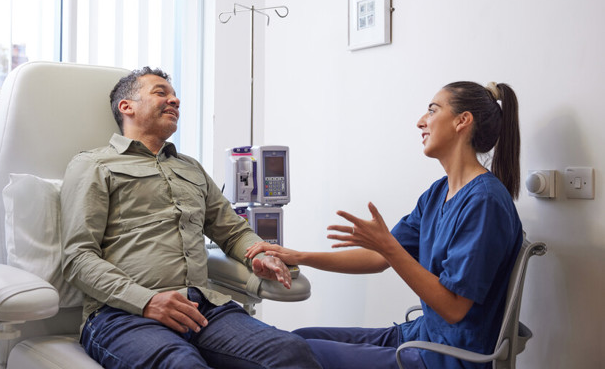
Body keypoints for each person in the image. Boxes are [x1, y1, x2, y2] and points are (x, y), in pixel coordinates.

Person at [247, 81, 523, 369]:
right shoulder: (438, 193)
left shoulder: (484, 203)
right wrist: (297, 256)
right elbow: (379, 256)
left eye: (432, 110)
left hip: (447, 359)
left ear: (462, 121)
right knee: (298, 340)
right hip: (423, 336)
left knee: (296, 354)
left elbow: (454, 307)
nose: (420, 122)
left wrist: (389, 248)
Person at [60, 67, 321, 369]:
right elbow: (77, 257)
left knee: (291, 351)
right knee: (183, 365)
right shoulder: (93, 164)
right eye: (161, 93)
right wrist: (146, 301)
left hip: (204, 308)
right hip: (123, 314)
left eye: (175, 96)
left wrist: (260, 255)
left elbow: (233, 232)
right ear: (126, 106)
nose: (175, 100)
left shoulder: (191, 169)